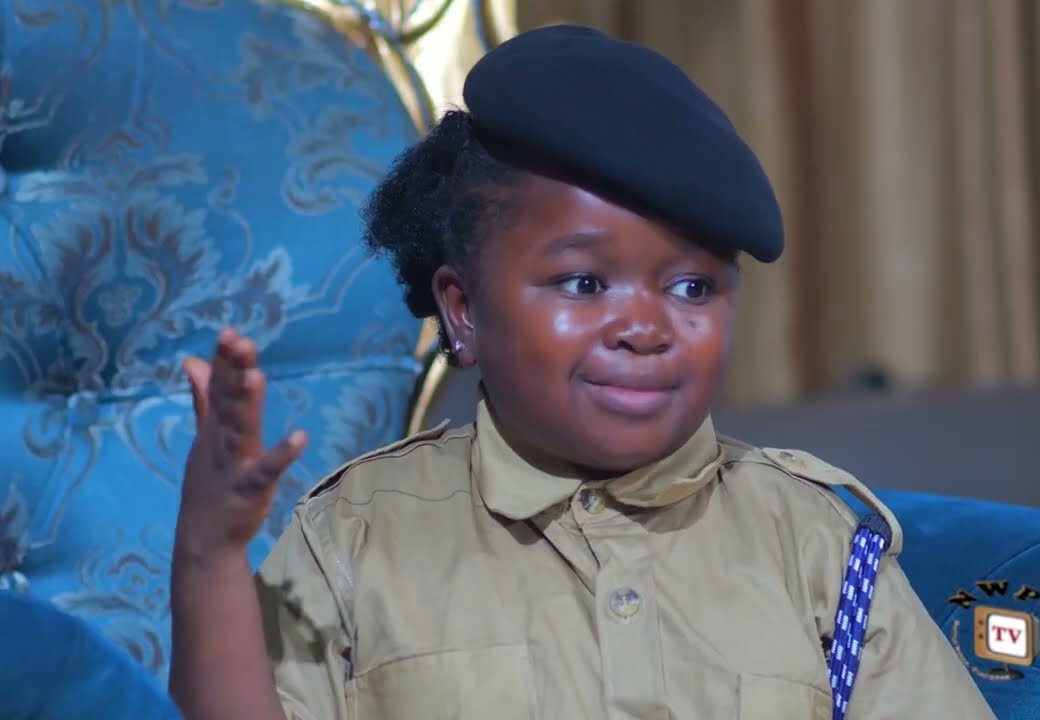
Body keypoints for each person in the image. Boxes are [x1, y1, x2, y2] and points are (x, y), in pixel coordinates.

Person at [168, 24, 997, 720]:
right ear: (463, 309)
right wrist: (210, 556)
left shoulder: (816, 542)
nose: (645, 329)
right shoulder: (355, 534)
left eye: (692, 288)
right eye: (584, 283)